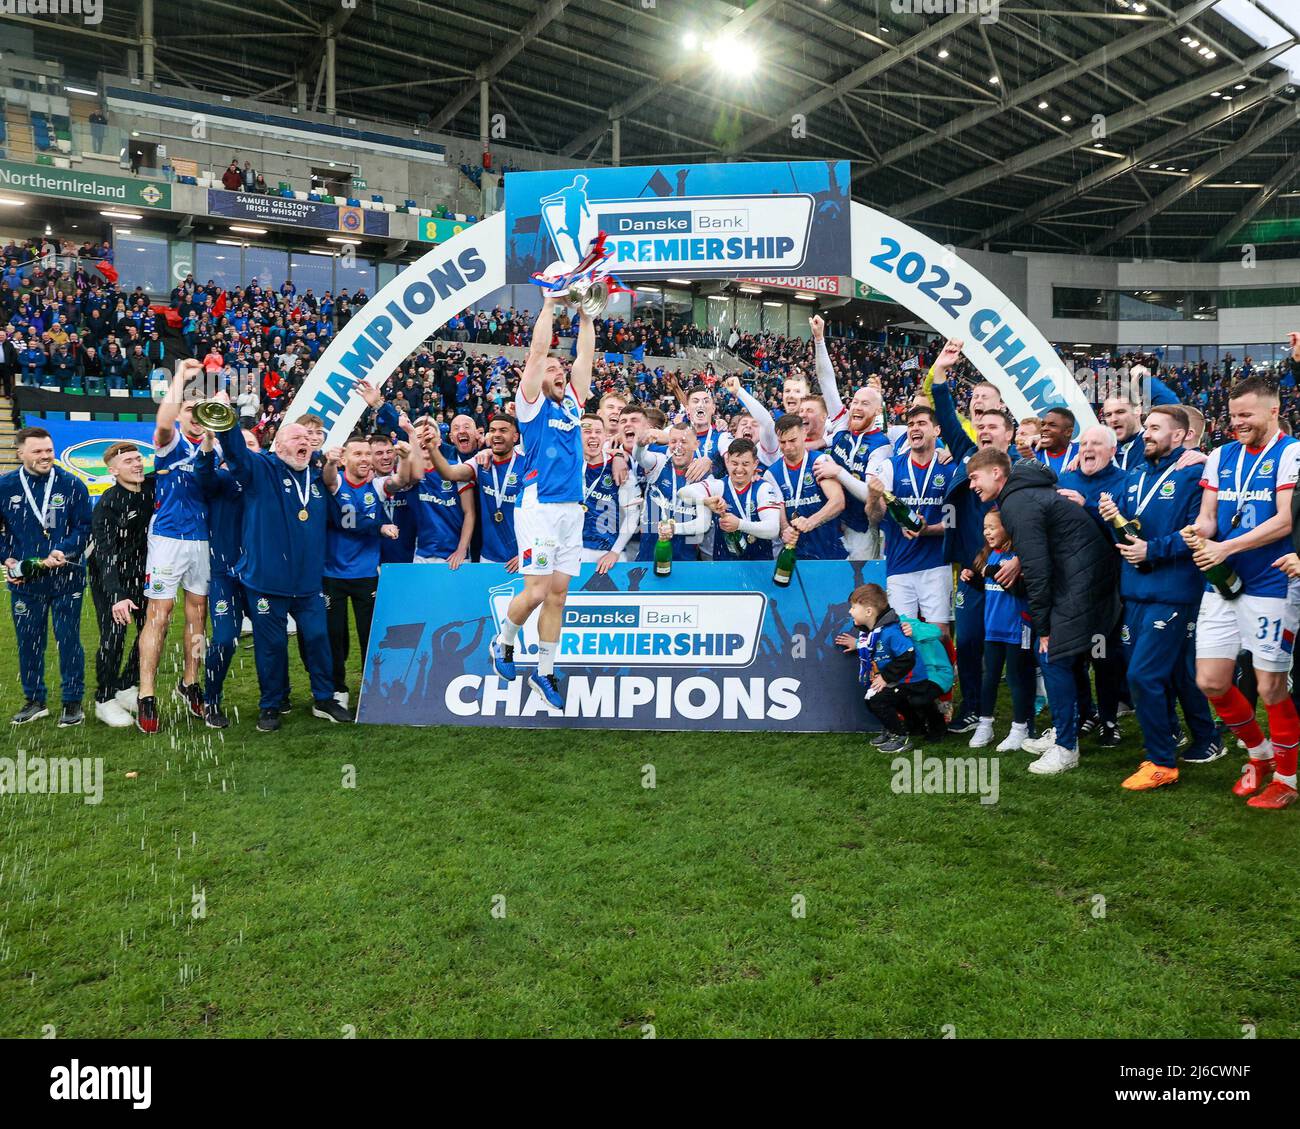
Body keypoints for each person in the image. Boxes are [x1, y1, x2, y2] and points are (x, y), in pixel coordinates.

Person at [967, 446, 1121, 776]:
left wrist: (1044, 627)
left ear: (997, 473)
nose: (971, 485)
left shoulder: (1017, 501)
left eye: (974, 477)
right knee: (1061, 657)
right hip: (1083, 577)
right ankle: (1070, 729)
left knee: (1052, 654)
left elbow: (1037, 567)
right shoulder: (1025, 494)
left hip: (1082, 581)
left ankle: (1066, 747)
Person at [1182, 376, 1300, 810]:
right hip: (1224, 580)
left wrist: (1224, 547)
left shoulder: (1291, 453)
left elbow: (1287, 520)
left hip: (1273, 583)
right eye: (1233, 416)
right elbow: (1210, 515)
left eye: (1246, 415)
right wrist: (1198, 532)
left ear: (1273, 410)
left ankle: (1287, 779)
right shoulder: (1220, 455)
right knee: (1210, 681)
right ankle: (1260, 755)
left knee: (1271, 689)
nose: (1237, 424)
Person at [1097, 405, 1221, 790]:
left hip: (1172, 591)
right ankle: (1193, 736)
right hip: (1135, 591)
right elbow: (1128, 532)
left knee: (1142, 674)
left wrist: (1153, 551)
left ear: (1181, 435)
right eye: (1146, 427)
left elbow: (1197, 530)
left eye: (1155, 428)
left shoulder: (1194, 475)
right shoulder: (1135, 475)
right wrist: (1111, 516)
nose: (1147, 434)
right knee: (1170, 673)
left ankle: (1161, 762)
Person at [488, 296, 594, 709]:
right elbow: (536, 352)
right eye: (553, 369)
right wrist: (550, 304)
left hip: (572, 509)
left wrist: (586, 312)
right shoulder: (530, 406)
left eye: (560, 368)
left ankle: (544, 672)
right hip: (539, 506)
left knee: (559, 595)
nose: (560, 371)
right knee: (534, 591)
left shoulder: (572, 401)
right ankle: (504, 642)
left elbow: (585, 353)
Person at [216, 421, 351, 731]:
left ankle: (324, 698)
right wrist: (227, 422)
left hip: (307, 583)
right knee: (272, 645)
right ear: (277, 446)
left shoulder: (317, 477)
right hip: (267, 581)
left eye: (308, 438)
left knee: (318, 638)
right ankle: (271, 704)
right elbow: (236, 454)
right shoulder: (262, 469)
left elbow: (339, 518)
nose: (304, 441)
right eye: (296, 437)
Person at [135, 360, 213, 734]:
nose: (195, 417)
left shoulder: (213, 449)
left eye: (202, 412)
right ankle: (146, 694)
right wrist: (180, 378)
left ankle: (190, 682)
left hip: (202, 540)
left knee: (198, 615)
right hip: (167, 539)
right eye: (189, 410)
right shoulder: (171, 442)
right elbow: (163, 421)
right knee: (160, 615)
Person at [1, 427, 91, 727]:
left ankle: (72, 702)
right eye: (37, 451)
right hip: (26, 582)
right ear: (21, 453)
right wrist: (7, 558)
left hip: (66, 578)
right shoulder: (6, 486)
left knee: (68, 640)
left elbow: (84, 527)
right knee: (28, 642)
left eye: (48, 450)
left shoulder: (71, 484)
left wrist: (63, 551)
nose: (45, 456)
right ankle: (35, 700)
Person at [323, 435, 396, 710]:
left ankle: (372, 686)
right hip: (332, 573)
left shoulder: (375, 485)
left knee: (372, 634)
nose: (365, 459)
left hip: (366, 573)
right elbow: (346, 519)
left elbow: (401, 481)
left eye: (368, 454)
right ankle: (337, 688)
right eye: (358, 454)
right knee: (335, 636)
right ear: (345, 459)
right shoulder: (336, 481)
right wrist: (378, 527)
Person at [862, 405, 951, 625]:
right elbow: (874, 519)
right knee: (903, 633)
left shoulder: (949, 468)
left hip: (937, 565)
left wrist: (927, 530)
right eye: (910, 424)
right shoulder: (890, 467)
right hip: (899, 564)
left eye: (921, 423)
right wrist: (873, 498)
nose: (914, 429)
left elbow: (955, 522)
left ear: (937, 430)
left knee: (939, 633)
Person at [838, 582, 949, 753]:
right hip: (904, 676)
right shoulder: (873, 631)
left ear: (869, 612)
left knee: (888, 699)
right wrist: (857, 644)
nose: (850, 611)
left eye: (853, 607)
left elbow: (911, 652)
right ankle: (906, 728)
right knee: (875, 698)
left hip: (924, 675)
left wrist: (885, 677)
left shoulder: (897, 628)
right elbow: (872, 645)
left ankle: (902, 736)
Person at [88, 442, 153, 728]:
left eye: (138, 459)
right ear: (113, 470)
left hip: (145, 575)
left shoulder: (152, 488)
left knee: (150, 632)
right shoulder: (107, 504)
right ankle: (104, 698)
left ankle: (126, 686)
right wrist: (117, 595)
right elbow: (105, 554)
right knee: (113, 635)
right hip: (110, 577)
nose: (137, 464)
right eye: (128, 461)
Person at [195, 428, 256, 729]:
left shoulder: (264, 480)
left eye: (250, 445)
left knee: (273, 640)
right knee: (223, 640)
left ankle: (276, 699)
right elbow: (203, 475)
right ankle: (211, 699)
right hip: (227, 575)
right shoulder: (222, 479)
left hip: (262, 575)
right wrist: (208, 442)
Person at [962, 511, 1034, 751]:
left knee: (1016, 678)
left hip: (1017, 628)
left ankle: (1020, 728)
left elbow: (1019, 590)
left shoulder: (1019, 557)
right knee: (989, 676)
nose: (987, 532)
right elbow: (989, 589)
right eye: (985, 528)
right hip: (992, 628)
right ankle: (985, 724)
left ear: (1008, 528)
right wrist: (973, 577)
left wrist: (992, 572)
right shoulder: (988, 555)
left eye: (992, 527)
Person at [680, 437, 782, 562]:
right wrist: (705, 501)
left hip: (759, 563)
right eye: (734, 463)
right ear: (727, 461)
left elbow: (773, 529)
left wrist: (739, 524)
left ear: (755, 464)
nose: (739, 469)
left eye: (745, 464)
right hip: (725, 563)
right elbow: (683, 493)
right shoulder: (719, 486)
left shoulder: (763, 488)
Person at [770, 412, 846, 561]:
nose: (788, 447)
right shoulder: (772, 473)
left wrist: (811, 521)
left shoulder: (820, 461)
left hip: (829, 550)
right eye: (782, 442)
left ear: (804, 433)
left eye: (792, 440)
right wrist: (785, 530)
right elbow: (781, 517)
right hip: (796, 554)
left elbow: (838, 501)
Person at [1033, 407, 1078, 476]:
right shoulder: (1032, 452)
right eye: (1043, 424)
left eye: (1052, 425)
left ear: (1068, 432)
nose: (1044, 428)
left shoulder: (1081, 452)